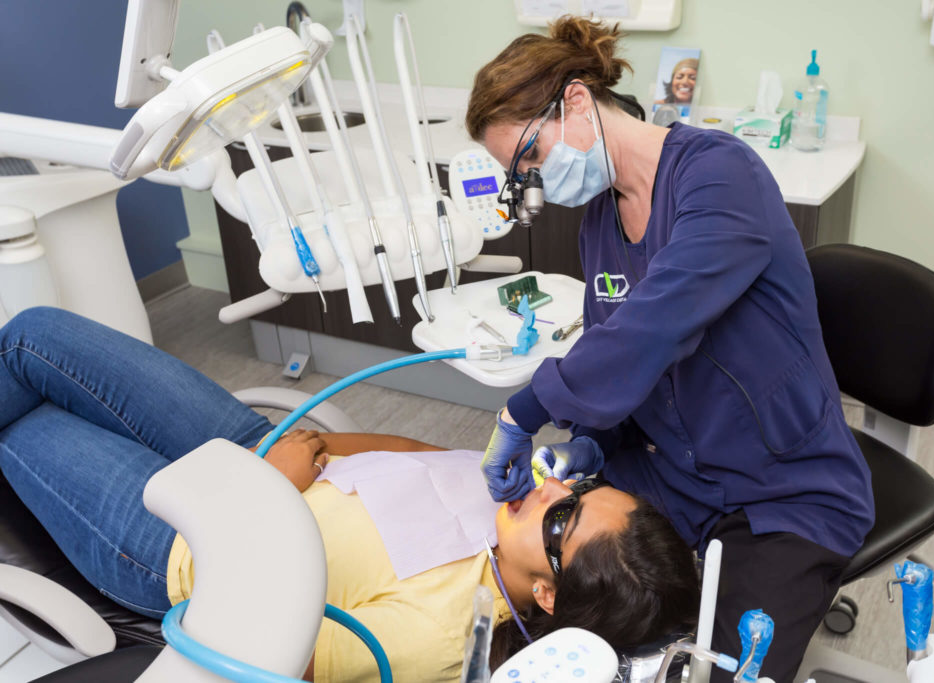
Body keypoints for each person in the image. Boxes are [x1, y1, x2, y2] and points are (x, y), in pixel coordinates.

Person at [465, 16, 874, 683]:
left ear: (573, 101)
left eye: (531, 157)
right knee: (562, 606)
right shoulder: (601, 217)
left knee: (715, 671)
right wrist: (594, 438)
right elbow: (610, 340)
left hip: (785, 488)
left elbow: (655, 326)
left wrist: (525, 408)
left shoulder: (720, 176)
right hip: (672, 472)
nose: (537, 180)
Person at [0, 307, 699, 681]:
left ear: (549, 594)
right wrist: (314, 448)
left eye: (565, 517)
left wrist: (273, 488)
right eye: (581, 486)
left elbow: (278, 649)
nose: (551, 486)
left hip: (178, 543)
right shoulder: (511, 499)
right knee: (34, 335)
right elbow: (421, 454)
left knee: (22, 421)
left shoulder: (438, 638)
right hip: (256, 440)